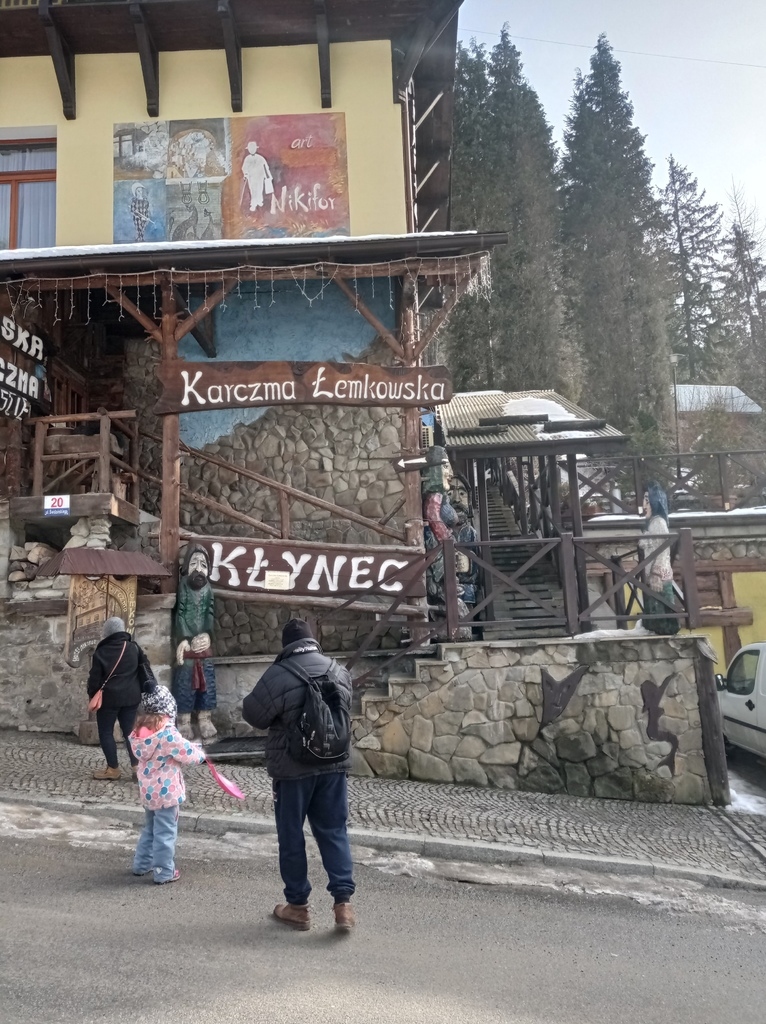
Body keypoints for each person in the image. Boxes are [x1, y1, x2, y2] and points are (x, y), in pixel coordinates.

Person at [242, 619, 356, 932]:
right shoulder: (339, 670)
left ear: (287, 646)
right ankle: (343, 904)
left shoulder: (278, 674)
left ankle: (297, 907)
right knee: (334, 830)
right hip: (334, 765)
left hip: (292, 769)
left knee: (291, 834)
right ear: (313, 641)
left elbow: (253, 714)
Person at [129, 685, 206, 884]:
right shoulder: (167, 732)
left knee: (150, 828)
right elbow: (186, 752)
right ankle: (164, 872)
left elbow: (177, 747)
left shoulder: (140, 731)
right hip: (167, 793)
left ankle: (141, 864)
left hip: (148, 792)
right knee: (165, 832)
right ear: (168, 709)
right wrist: (200, 754)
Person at [87, 616, 143, 781]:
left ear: (107, 632)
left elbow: (94, 680)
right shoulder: (133, 648)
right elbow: (143, 669)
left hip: (108, 699)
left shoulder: (101, 652)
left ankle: (113, 769)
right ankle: (137, 768)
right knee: (130, 733)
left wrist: (92, 694)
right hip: (131, 698)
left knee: (106, 732)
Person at [173, 544, 217, 740]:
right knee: (185, 683)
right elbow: (180, 613)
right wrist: (183, 639)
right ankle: (183, 721)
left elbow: (210, 613)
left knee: (208, 683)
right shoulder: (183, 585)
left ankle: (205, 718)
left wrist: (207, 635)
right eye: (194, 563)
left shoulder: (208, 588)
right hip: (188, 646)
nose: (199, 569)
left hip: (204, 646)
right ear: (186, 567)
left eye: (203, 565)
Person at [639, 481, 680, 635]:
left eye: (647, 501)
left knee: (662, 614)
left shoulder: (658, 523)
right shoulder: (652, 523)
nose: (644, 505)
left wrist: (656, 573)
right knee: (654, 612)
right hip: (652, 575)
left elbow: (664, 549)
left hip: (658, 576)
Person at [241, 141, 273, 211]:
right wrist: (245, 174)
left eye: (253, 148)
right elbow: (244, 168)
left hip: (259, 177)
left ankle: (259, 201)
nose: (252, 150)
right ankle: (253, 204)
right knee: (253, 190)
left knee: (259, 189)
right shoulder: (247, 159)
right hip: (251, 178)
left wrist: (267, 176)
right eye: (250, 148)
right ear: (248, 149)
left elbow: (265, 167)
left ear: (255, 149)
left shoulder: (260, 158)